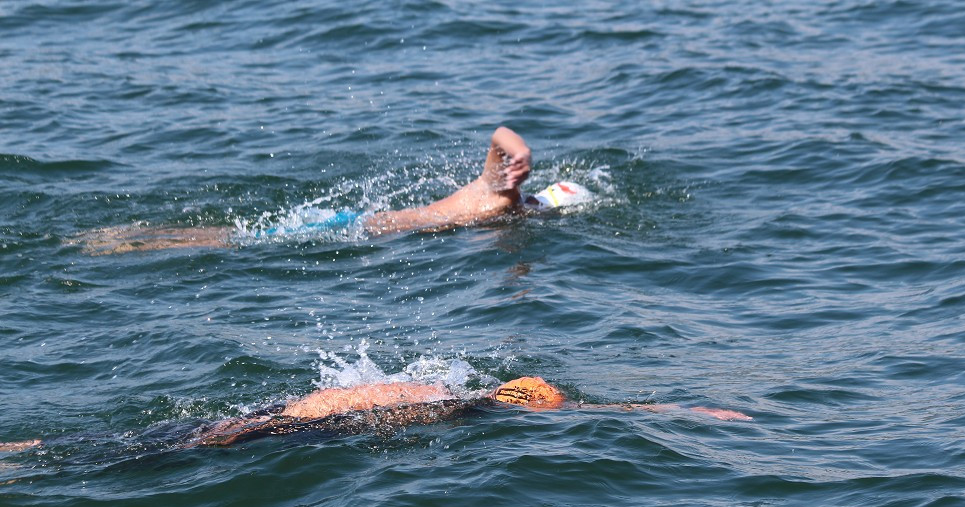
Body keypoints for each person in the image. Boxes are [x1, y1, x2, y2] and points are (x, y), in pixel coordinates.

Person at [72, 127, 591, 254]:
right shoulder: (499, 195)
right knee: (241, 240)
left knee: (244, 235)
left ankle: (127, 238)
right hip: (362, 229)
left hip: (363, 225)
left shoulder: (500, 202)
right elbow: (500, 133)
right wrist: (521, 151)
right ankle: (128, 242)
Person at [0, 376, 751, 452]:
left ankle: (22, 450)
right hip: (282, 424)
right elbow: (597, 411)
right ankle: (21, 454)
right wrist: (680, 410)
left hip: (287, 413)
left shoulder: (458, 391)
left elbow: (595, 406)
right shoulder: (465, 406)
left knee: (123, 442)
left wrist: (680, 407)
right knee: (117, 451)